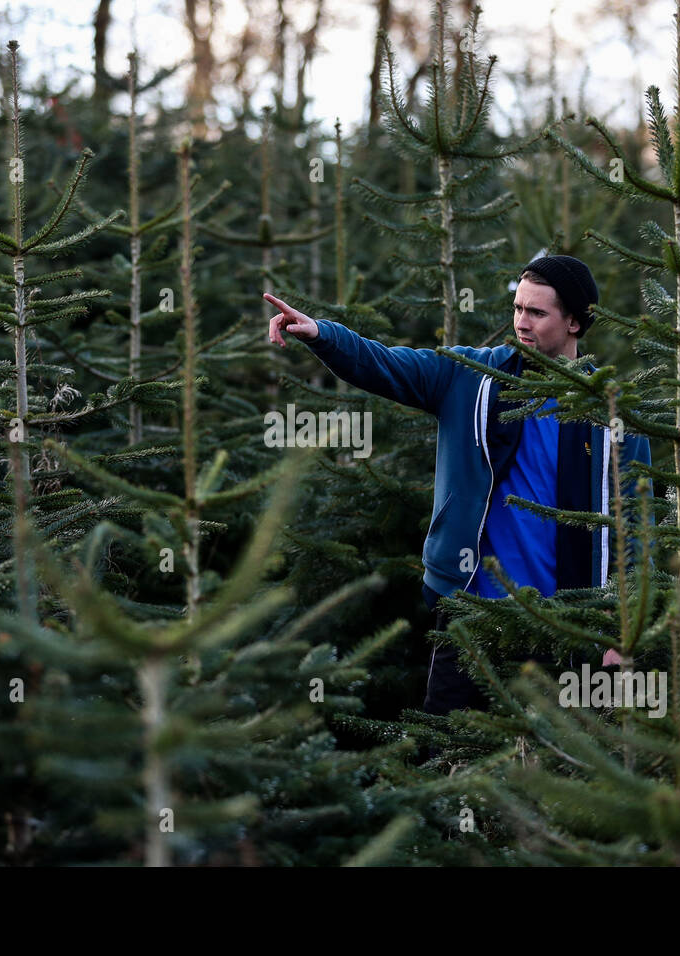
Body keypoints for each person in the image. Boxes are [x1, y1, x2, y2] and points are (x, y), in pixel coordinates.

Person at [265, 254, 653, 714]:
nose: (521, 322)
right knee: (445, 751)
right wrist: (322, 334)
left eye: (536, 312)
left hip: (564, 627)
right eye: (517, 308)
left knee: (555, 770)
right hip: (471, 611)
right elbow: (387, 364)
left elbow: (634, 527)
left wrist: (620, 631)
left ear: (574, 322)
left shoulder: (609, 414)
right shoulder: (472, 377)